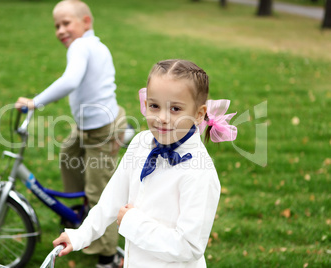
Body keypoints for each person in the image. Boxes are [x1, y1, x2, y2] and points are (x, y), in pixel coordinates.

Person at [52, 59, 237, 267]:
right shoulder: (141, 143)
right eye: (154, 106)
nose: (162, 118)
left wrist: (133, 223)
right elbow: (112, 199)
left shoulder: (199, 173)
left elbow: (189, 247)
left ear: (198, 114)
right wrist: (80, 236)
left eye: (175, 108)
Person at [15, 1, 127, 267]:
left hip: (101, 130)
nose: (61, 30)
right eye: (57, 26)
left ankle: (107, 255)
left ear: (86, 22)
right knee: (68, 155)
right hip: (89, 126)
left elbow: (71, 80)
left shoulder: (82, 46)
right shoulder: (95, 46)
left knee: (101, 192)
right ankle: (81, 212)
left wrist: (35, 101)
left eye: (66, 23)